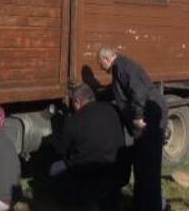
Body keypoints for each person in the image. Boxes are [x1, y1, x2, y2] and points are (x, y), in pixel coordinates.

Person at [97, 47, 167, 211]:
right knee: (141, 165)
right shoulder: (120, 68)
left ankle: (151, 206)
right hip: (148, 118)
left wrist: (139, 116)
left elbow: (139, 91)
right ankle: (141, 204)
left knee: (148, 167)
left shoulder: (122, 67)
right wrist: (96, 95)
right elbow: (117, 91)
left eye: (99, 63)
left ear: (106, 59)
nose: (100, 67)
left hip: (149, 120)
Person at [51, 83, 130, 211]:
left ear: (77, 102)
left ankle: (80, 201)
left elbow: (61, 149)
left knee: (55, 169)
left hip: (91, 176)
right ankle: (112, 197)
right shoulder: (113, 108)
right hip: (119, 171)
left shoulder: (73, 121)